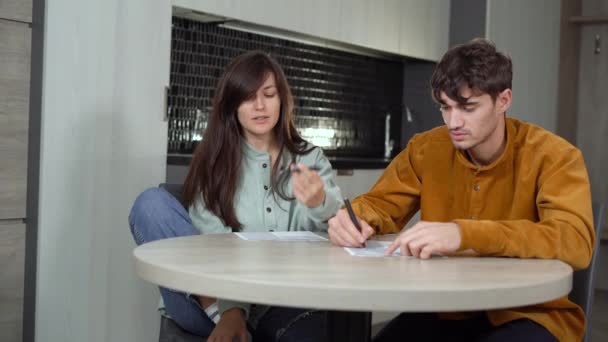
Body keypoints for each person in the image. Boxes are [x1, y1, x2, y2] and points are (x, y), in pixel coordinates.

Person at [328, 38, 594, 342]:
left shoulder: (555, 156)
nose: (453, 121)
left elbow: (574, 242)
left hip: (528, 313)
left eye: (468, 107)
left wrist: (464, 234)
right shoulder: (426, 149)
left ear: (503, 100)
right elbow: (379, 205)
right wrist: (353, 219)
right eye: (446, 106)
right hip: (443, 309)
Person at [128, 50, 342, 342]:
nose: (259, 105)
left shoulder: (310, 158)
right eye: (247, 97)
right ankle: (228, 320)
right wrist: (231, 311)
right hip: (207, 302)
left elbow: (334, 237)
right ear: (232, 105)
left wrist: (319, 202)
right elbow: (209, 245)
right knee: (151, 204)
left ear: (282, 100)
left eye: (269, 94)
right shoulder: (215, 163)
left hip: (284, 302)